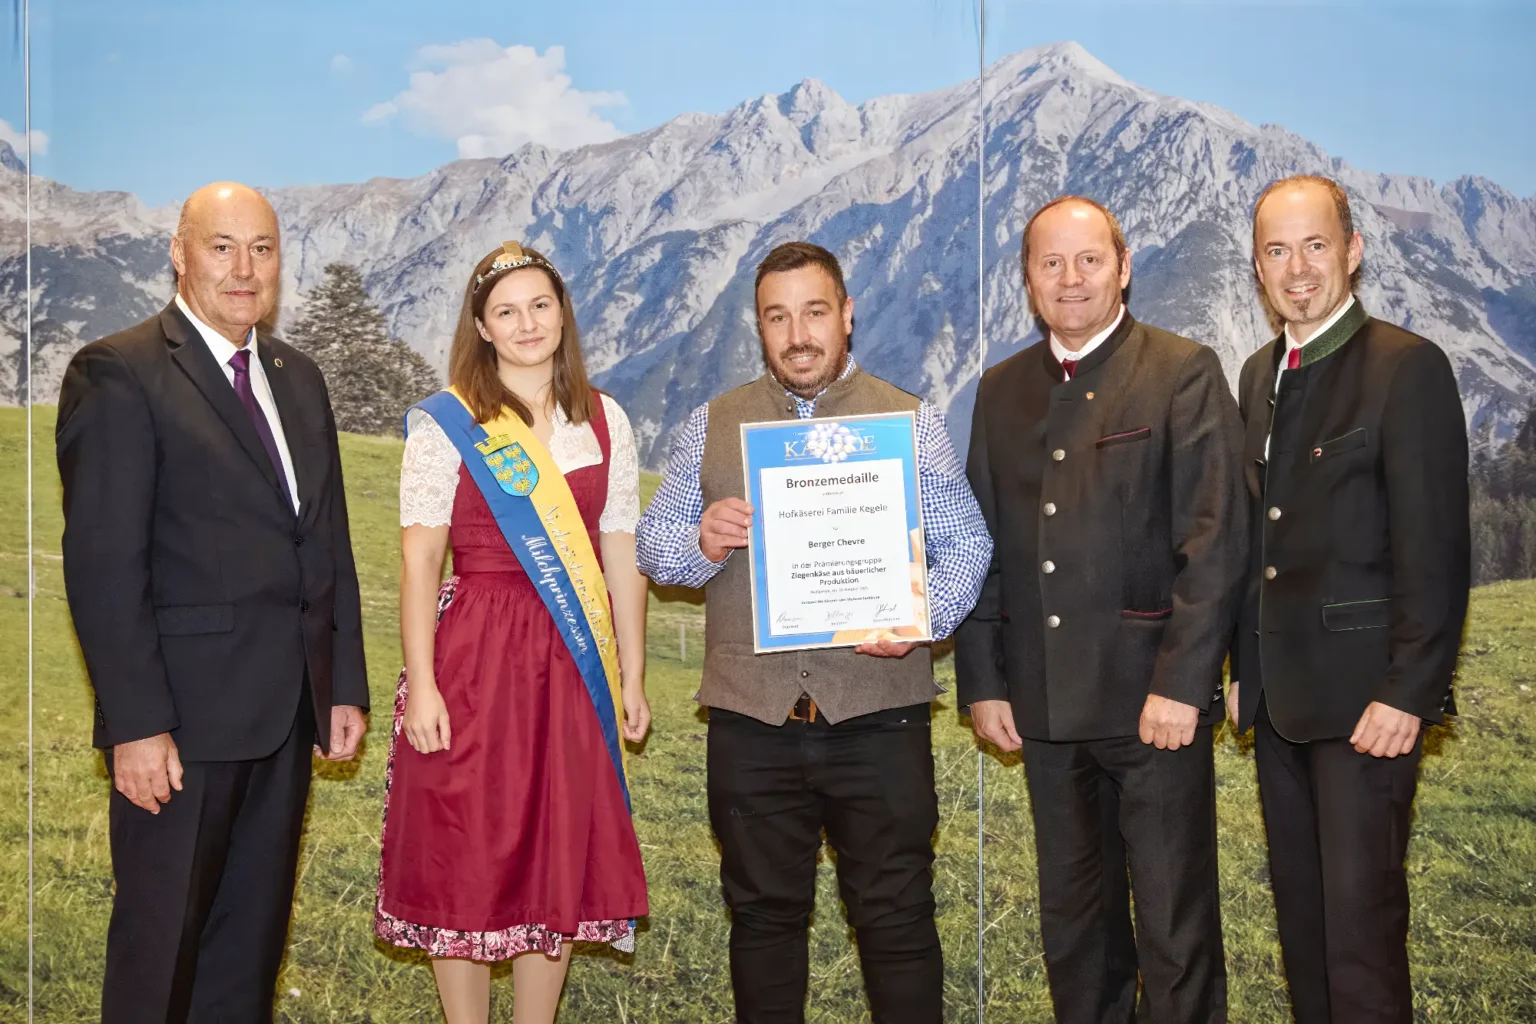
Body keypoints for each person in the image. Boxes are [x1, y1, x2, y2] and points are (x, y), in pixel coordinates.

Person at [636, 241, 991, 1024]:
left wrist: (919, 620)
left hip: (879, 717)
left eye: (815, 312)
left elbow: (967, 544)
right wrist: (701, 539)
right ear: (759, 327)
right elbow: (653, 547)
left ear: (847, 315)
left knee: (897, 920)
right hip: (752, 724)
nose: (798, 335)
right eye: (778, 317)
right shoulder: (710, 424)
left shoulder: (910, 421)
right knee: (762, 920)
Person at [55, 181, 369, 1023]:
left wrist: (341, 683)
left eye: (262, 249)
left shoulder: (298, 378)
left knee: (247, 958)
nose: (244, 269)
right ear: (179, 253)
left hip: (286, 717)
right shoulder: (119, 371)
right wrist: (135, 724)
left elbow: (325, 540)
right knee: (160, 957)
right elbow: (103, 566)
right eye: (222, 247)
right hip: (179, 730)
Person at [955, 196, 1247, 1023]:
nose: (1071, 278)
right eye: (1050, 263)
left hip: (1152, 705)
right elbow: (982, 544)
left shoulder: (1181, 370)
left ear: (1123, 268)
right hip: (1044, 705)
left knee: (1174, 926)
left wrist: (1183, 685)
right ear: (1028, 280)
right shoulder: (1001, 390)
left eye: (1089, 260)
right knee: (1075, 930)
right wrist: (985, 682)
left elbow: (1215, 541)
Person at [374, 241, 651, 1024]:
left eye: (539, 305)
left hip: (572, 657)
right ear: (482, 327)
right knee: (464, 842)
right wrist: (423, 684)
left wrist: (631, 674)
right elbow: (420, 557)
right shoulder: (448, 422)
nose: (526, 324)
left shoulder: (604, 418)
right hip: (475, 655)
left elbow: (620, 549)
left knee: (554, 844)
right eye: (506, 311)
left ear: (562, 313)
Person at [1229, 175, 1470, 1023]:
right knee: (1303, 930)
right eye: (1277, 250)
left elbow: (1435, 551)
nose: (1297, 269)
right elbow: (1256, 539)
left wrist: (1410, 692)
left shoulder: (1407, 367)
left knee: (1360, 937)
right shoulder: (1258, 374)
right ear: (1257, 268)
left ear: (1353, 251)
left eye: (1315, 245)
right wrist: (1242, 668)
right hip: (1278, 705)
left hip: (1369, 706)